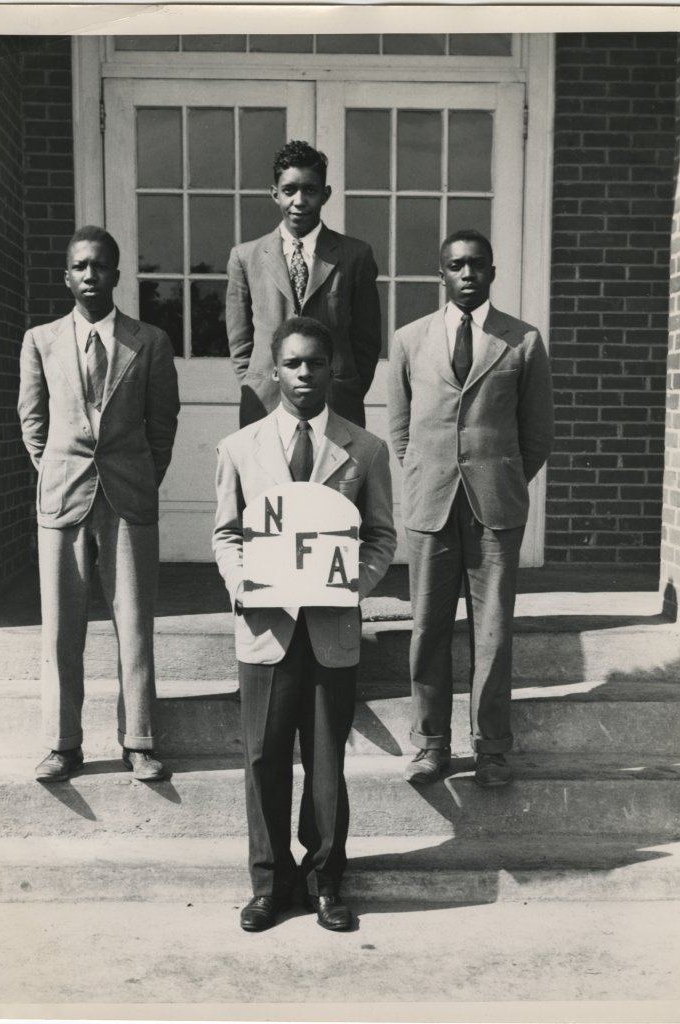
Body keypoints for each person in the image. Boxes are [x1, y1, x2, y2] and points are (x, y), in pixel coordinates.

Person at [213, 315, 396, 932]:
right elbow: (227, 534)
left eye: (316, 362)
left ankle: (326, 881)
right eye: (293, 363)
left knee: (325, 764)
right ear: (274, 370)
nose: (304, 373)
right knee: (264, 758)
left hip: (329, 629)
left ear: (332, 370)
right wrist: (245, 586)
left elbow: (380, 537)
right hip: (267, 627)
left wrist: (349, 583)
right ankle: (269, 884)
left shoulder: (363, 449)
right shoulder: (241, 448)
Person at [387, 229, 554, 789]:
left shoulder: (522, 341)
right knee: (428, 629)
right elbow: (401, 432)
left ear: (492, 271)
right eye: (455, 265)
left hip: (495, 510)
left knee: (494, 634)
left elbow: (537, 436)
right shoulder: (409, 340)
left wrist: (499, 476)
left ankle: (491, 750)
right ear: (440, 273)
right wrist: (429, 477)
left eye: (476, 264)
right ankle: (431, 745)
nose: (466, 274)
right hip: (431, 506)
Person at [18, 225, 180, 783]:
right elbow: (33, 423)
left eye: (101, 266)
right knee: (61, 628)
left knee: (134, 623)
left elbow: (163, 424)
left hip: (129, 497)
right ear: (67, 276)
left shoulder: (149, 341)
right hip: (63, 497)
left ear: (116, 274)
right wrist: (59, 470)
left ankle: (139, 740)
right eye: (80, 267)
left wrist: (140, 475)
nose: (90, 275)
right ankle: (63, 745)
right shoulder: (40, 341)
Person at [226, 139, 381, 429]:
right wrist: (262, 381)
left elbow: (366, 341)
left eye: (309, 190)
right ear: (275, 194)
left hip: (337, 400)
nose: (299, 201)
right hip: (266, 403)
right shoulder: (246, 257)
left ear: (325, 194)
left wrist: (346, 386)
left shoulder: (355, 255)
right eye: (289, 191)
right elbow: (240, 344)